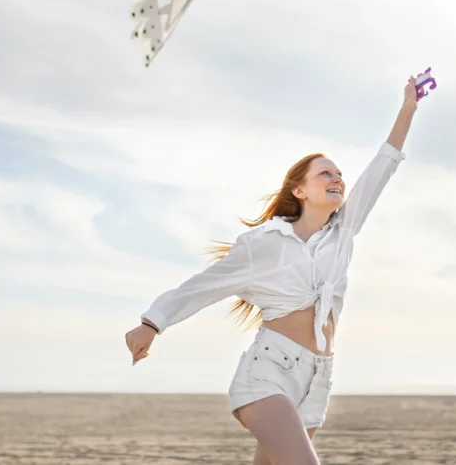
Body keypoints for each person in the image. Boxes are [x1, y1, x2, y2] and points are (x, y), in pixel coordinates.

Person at [124, 75, 423, 464]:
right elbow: (204, 285)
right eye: (325, 174)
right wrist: (152, 322)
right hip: (270, 373)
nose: (337, 178)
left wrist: (408, 109)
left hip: (317, 379)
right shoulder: (263, 245)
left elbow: (382, 168)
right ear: (299, 190)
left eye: (339, 174)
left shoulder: (342, 233)